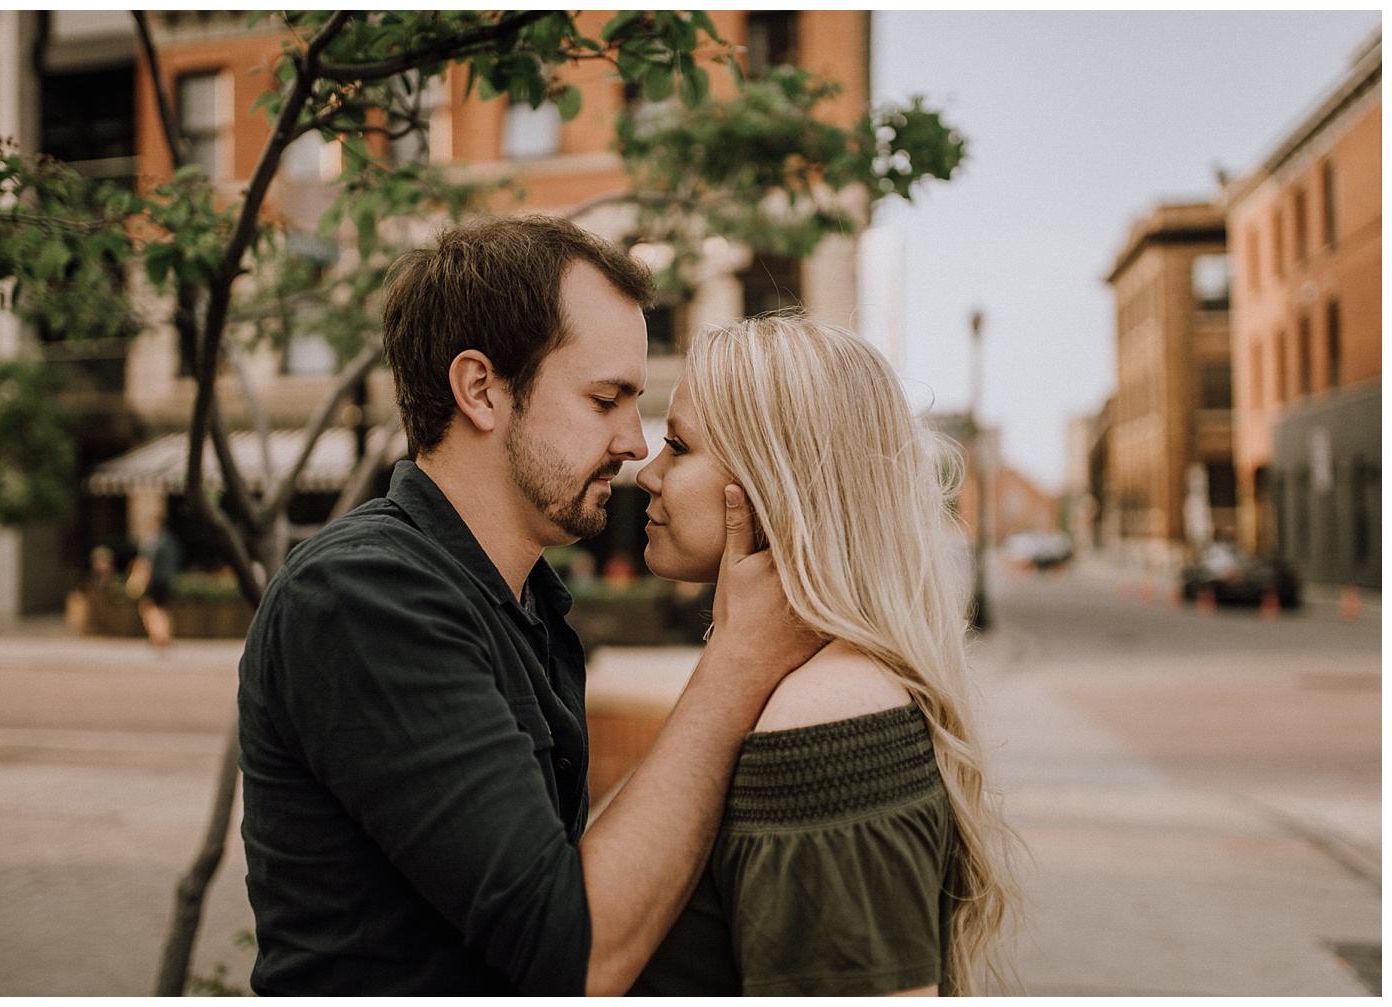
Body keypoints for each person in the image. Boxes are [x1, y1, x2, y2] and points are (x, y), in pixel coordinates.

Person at [236, 216, 821, 995]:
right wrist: (739, 662)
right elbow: (572, 952)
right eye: (605, 398)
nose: (633, 443)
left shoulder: (528, 604)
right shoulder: (361, 594)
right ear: (481, 389)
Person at [629, 313, 1021, 996]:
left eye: (677, 445)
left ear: (768, 479)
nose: (648, 472)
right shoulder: (802, 685)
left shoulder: (826, 711)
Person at [128, 517, 182, 648]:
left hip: (155, 580)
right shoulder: (171, 541)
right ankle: (165, 634)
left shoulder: (153, 543)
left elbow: (147, 564)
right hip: (168, 580)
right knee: (163, 607)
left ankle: (159, 635)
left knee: (150, 607)